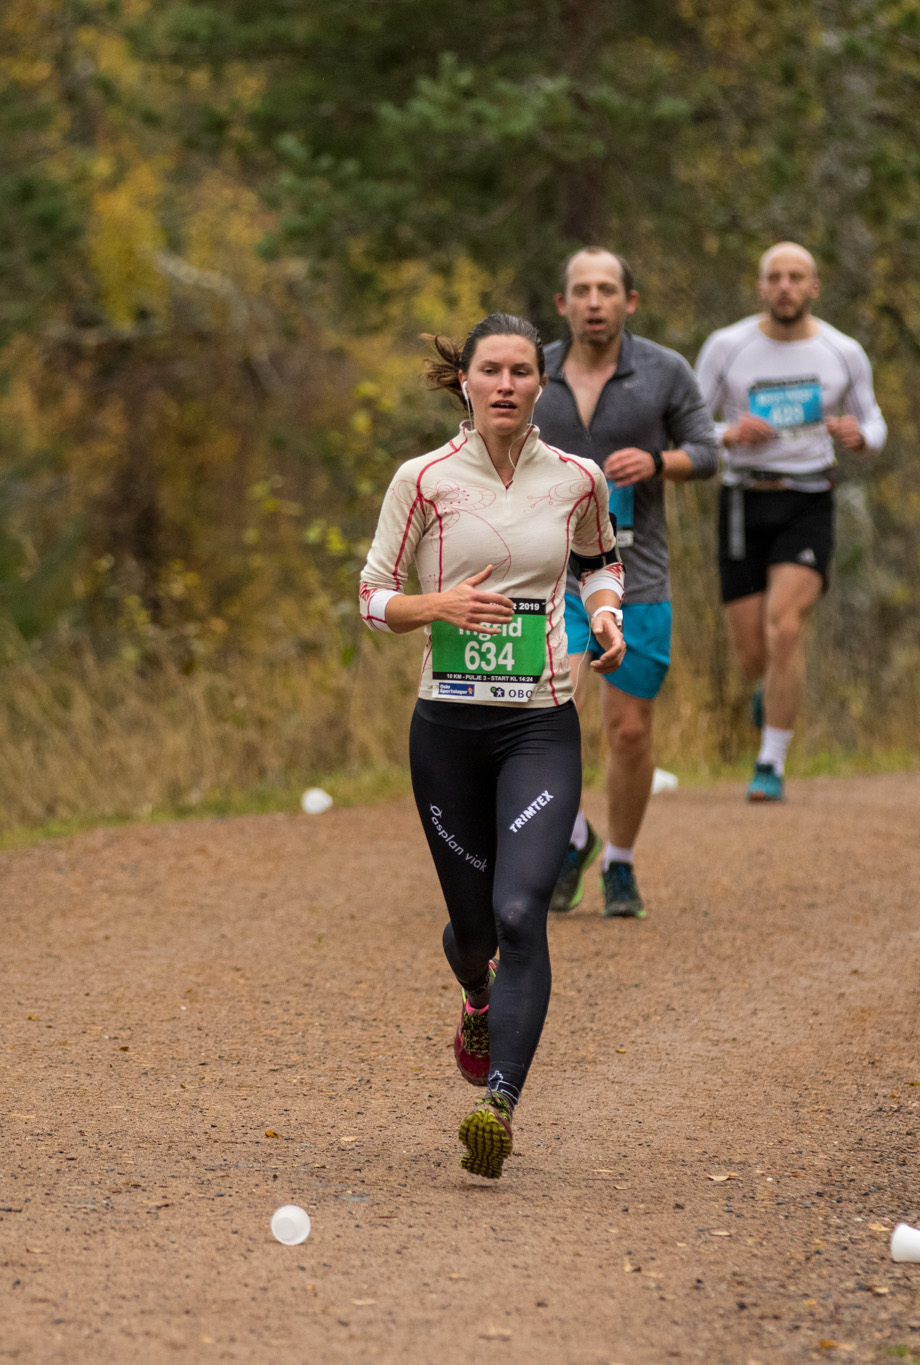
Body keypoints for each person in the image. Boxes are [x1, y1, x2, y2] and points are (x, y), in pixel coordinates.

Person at [359, 313, 623, 1180]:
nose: (506, 385)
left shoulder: (578, 478)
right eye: (491, 371)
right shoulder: (424, 479)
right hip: (447, 731)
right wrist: (435, 607)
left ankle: (497, 1107)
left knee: (521, 913)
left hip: (540, 723)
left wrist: (607, 616)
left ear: (542, 383)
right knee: (475, 934)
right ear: (464, 381)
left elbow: (600, 561)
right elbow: (371, 595)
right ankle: (477, 994)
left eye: (521, 371)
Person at [533, 247, 719, 919]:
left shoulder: (665, 370)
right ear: (563, 304)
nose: (594, 301)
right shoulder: (533, 372)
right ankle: (572, 835)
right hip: (550, 576)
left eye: (607, 289)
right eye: (582, 290)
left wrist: (658, 461)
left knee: (630, 731)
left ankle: (619, 860)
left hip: (637, 575)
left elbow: (708, 451)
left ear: (629, 301)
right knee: (546, 714)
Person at [696, 242, 886, 801]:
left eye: (796, 277)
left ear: (813, 287)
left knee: (785, 629)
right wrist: (729, 433)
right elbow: (688, 424)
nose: (785, 286)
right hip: (742, 498)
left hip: (808, 498)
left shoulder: (842, 351)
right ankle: (771, 691)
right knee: (753, 652)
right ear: (761, 288)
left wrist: (860, 437)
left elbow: (875, 423)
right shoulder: (727, 346)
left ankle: (771, 762)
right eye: (775, 277)